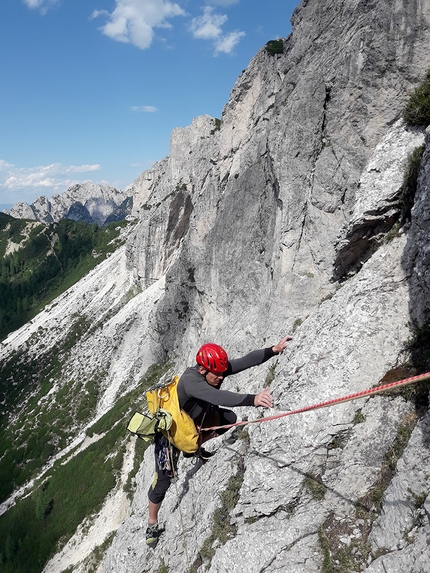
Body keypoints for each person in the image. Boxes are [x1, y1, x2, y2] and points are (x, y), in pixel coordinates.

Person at [145, 335, 292, 547]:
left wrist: (274, 349)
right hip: (169, 434)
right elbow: (218, 397)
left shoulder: (212, 371)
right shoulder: (192, 381)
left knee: (229, 419)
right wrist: (253, 400)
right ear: (203, 370)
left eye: (223, 374)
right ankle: (151, 522)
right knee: (163, 481)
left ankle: (196, 446)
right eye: (218, 375)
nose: (221, 378)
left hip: (193, 421)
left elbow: (243, 362)